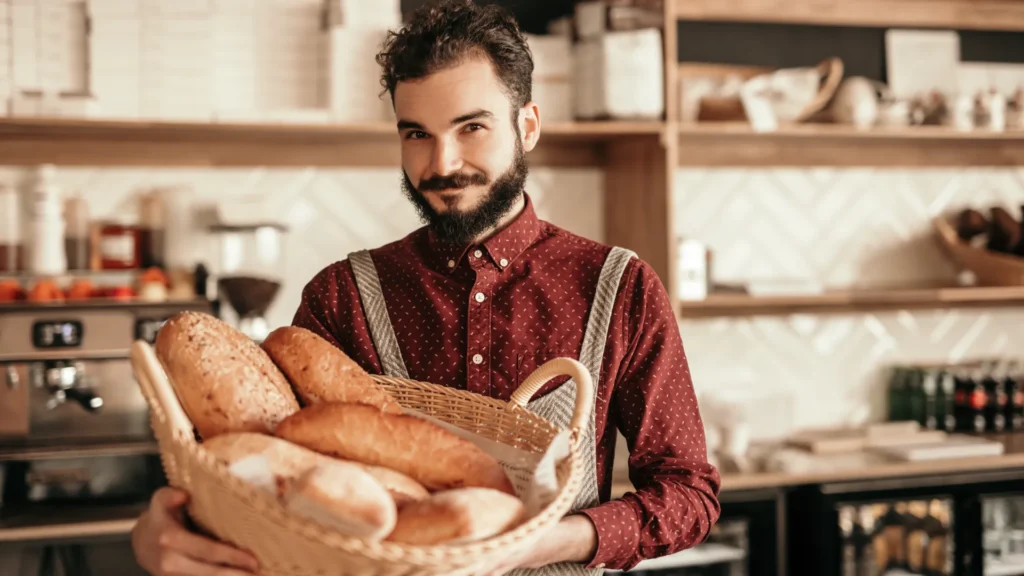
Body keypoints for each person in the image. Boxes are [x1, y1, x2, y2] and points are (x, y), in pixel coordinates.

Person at [131, 1, 721, 574]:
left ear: (528, 126)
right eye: (417, 133)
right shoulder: (342, 297)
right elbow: (270, 471)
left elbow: (689, 494)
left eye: (471, 128)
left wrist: (538, 544)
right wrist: (167, 522)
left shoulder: (619, 287)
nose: (442, 163)